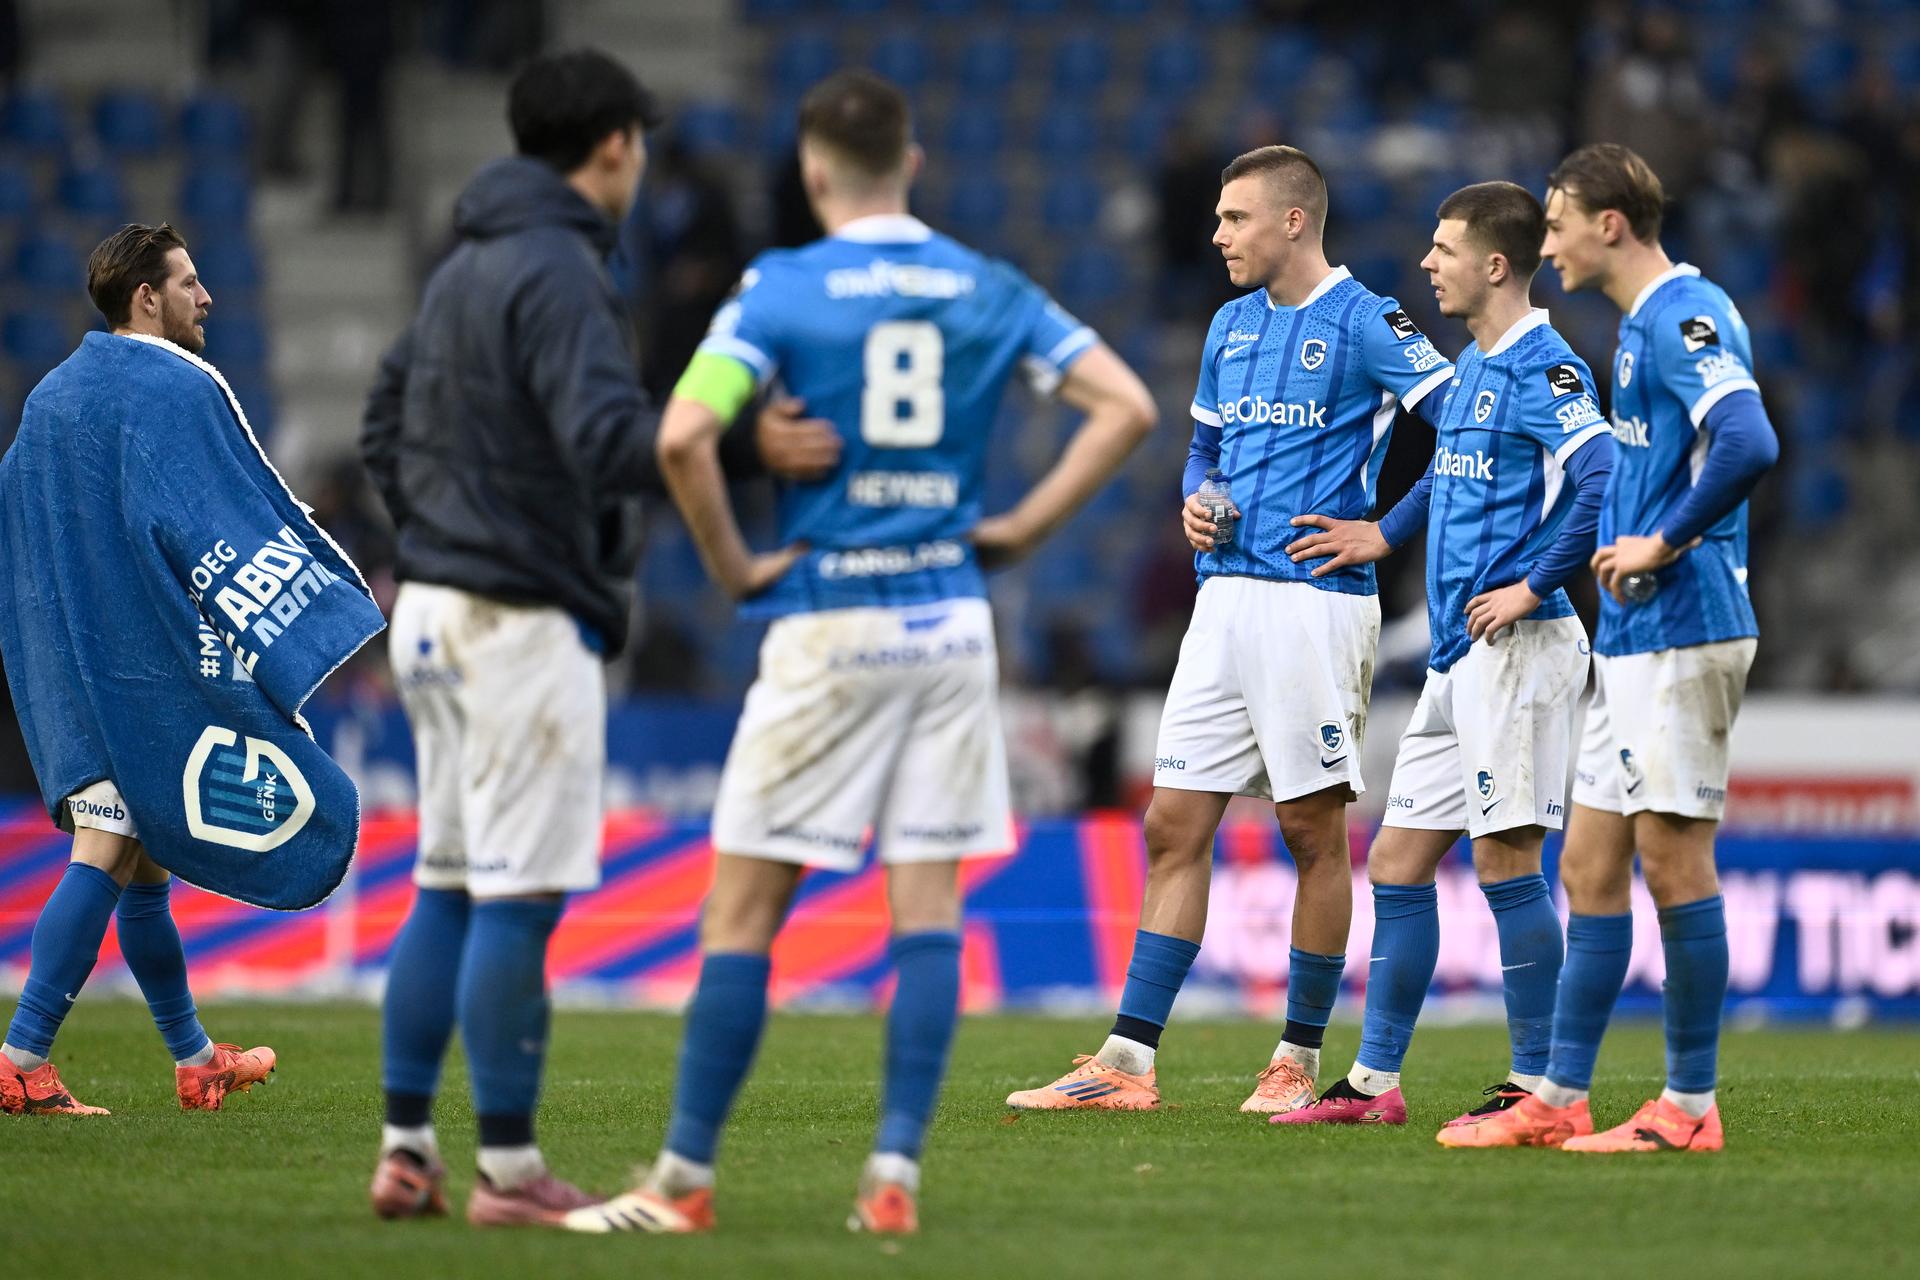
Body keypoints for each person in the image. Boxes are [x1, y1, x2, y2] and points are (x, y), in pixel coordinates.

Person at [564, 70, 1155, 1237]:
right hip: (946, 618)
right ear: (914, 165)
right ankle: (893, 1173)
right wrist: (1023, 528)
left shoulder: (783, 286)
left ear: (813, 171)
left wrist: (734, 566)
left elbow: (684, 433)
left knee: (743, 909)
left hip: (830, 615)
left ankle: (681, 1179)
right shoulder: (985, 284)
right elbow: (1125, 404)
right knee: (926, 901)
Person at [1006, 145, 1455, 1117]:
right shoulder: (1229, 323)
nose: (1216, 235)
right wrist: (1196, 499)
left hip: (1313, 604)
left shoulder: (1368, 320)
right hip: (1223, 601)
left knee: (1309, 827)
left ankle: (1295, 1055)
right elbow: (1202, 449)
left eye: (1234, 218)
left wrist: (1388, 528)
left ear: (1294, 220)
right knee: (1174, 821)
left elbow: (1467, 423)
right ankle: (1127, 1059)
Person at [357, 48, 664, 1228]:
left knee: (444, 880)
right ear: (615, 146)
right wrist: (720, 437)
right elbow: (605, 437)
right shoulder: (562, 268)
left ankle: (406, 1148)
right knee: (518, 896)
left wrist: (437, 521)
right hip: (517, 614)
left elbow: (384, 416)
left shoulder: (464, 265)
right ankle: (511, 1173)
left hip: (431, 603)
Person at [1442, 143, 1778, 1154]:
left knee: (1674, 860)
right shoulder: (1637, 331)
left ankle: (1689, 1103)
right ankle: (1559, 1093)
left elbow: (1752, 440)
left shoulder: (1684, 316)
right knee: (1590, 861)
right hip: (1631, 634)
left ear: (1610, 225)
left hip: (1686, 626)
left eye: (1555, 225)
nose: (1545, 244)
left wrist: (1662, 539)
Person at [1269, 181, 1614, 1131]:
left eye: (1443, 248)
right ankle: (1376, 1083)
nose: (1427, 262)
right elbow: (1441, 472)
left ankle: (1542, 1085)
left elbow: (1600, 476)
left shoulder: (1550, 369)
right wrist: (1384, 534)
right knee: (1397, 858)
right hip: (1461, 655)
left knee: (1507, 861)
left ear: (1495, 265)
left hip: (1523, 646)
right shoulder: (1471, 366)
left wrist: (1538, 583)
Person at [0, 223, 301, 1115]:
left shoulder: (52, 397)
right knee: (110, 843)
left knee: (146, 868)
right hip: (133, 667)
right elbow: (206, 521)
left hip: (68, 653)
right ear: (148, 298)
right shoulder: (174, 386)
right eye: (189, 282)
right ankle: (22, 1058)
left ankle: (194, 1057)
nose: (206, 298)